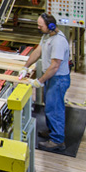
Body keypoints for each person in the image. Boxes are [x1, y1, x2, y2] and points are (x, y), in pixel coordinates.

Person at [24, 13, 71, 152]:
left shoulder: (58, 42)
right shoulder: (46, 36)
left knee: (55, 109)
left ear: (50, 26)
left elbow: (55, 66)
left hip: (58, 79)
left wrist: (40, 81)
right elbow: (38, 51)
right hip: (51, 78)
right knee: (49, 107)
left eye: (40, 26)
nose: (38, 28)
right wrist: (25, 67)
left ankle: (57, 140)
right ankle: (52, 132)